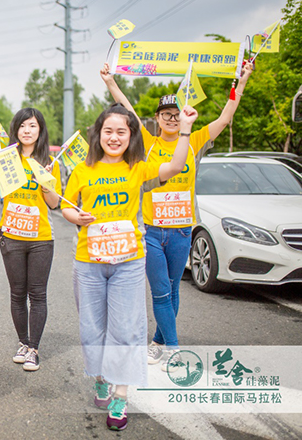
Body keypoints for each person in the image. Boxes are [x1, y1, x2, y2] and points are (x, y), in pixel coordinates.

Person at [100, 62, 254, 370]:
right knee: (160, 291)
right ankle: (173, 348)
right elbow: (126, 107)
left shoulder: (194, 139)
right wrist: (110, 81)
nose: (172, 119)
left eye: (176, 114)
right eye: (166, 114)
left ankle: (158, 343)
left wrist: (244, 79)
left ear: (184, 116)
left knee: (171, 291)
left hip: (183, 231)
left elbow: (226, 116)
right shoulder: (147, 141)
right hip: (153, 232)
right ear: (156, 119)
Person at [61, 102, 197, 431]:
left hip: (129, 262)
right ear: (98, 134)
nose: (114, 137)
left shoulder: (138, 167)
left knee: (125, 328)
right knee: (92, 330)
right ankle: (102, 377)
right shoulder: (82, 169)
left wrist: (186, 129)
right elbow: (65, 206)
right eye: (108, 130)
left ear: (130, 135)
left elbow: (177, 165)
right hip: (89, 262)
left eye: (121, 131)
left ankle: (121, 395)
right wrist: (75, 217)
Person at [0, 108, 61, 371]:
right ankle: (22, 342)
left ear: (40, 130)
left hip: (40, 239)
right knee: (16, 293)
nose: (27, 130)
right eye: (22, 126)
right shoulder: (5, 159)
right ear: (16, 130)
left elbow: (55, 203)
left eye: (32, 126)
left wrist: (46, 182)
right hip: (11, 236)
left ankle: (33, 348)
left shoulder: (48, 162)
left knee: (37, 294)